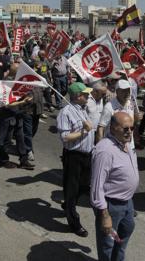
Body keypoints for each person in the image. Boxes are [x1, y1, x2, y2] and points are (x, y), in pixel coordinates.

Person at [91, 112, 139, 261]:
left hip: (127, 203)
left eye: (132, 128)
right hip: (111, 205)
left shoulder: (125, 143)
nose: (129, 131)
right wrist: (104, 215)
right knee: (108, 244)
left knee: (123, 237)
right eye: (125, 128)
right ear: (112, 128)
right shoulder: (105, 150)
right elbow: (96, 186)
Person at [56, 82, 95, 237]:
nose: (88, 96)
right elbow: (65, 137)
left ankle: (68, 204)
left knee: (84, 186)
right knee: (72, 190)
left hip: (87, 155)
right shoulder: (66, 112)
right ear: (78, 96)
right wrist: (83, 132)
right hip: (74, 156)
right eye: (85, 94)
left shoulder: (82, 109)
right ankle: (74, 222)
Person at [98, 80, 138, 149]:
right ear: (117, 91)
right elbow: (101, 128)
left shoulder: (131, 103)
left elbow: (132, 123)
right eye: (124, 91)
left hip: (129, 146)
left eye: (128, 90)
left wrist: (137, 117)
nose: (127, 93)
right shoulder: (109, 107)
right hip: (113, 146)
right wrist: (100, 147)